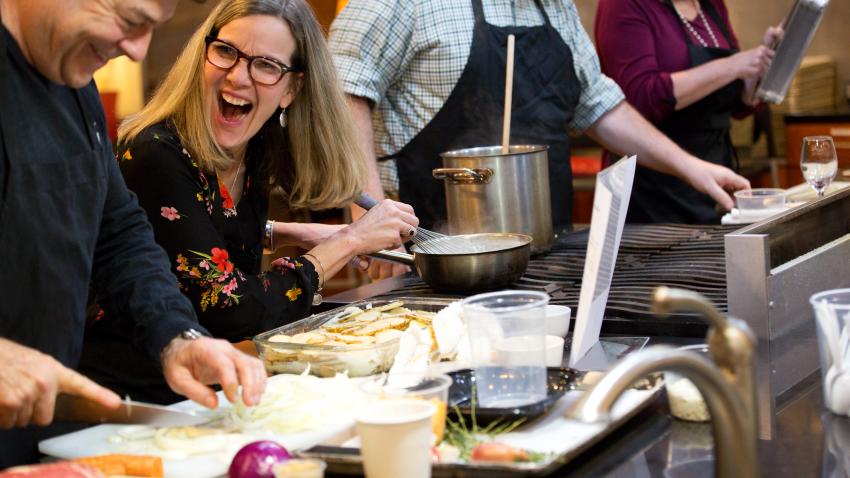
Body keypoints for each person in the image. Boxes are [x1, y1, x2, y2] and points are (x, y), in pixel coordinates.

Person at [79, 0, 420, 404]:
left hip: (217, 383)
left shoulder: (252, 145)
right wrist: (347, 243)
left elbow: (198, 231)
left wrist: (283, 232)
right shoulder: (156, 152)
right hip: (135, 399)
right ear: (202, 54)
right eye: (226, 52)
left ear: (291, 89)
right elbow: (231, 309)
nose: (239, 77)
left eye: (266, 65)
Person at [0, 0, 267, 466]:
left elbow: (117, 232)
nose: (138, 51)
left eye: (152, 29)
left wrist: (175, 335)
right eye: (129, 21)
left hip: (38, 441)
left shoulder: (73, 83)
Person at [328, 0, 752, 254]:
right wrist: (369, 216)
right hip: (434, 254)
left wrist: (691, 167)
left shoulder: (555, 6)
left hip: (547, 250)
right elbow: (343, 89)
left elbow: (598, 104)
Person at [595, 0, 783, 223]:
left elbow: (736, 101)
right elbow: (643, 98)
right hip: (650, 189)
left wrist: (762, 64)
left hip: (713, 175)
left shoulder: (711, 5)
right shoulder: (623, 5)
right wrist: (732, 66)